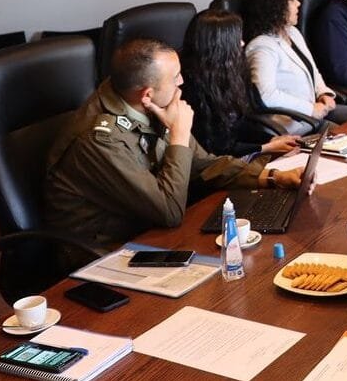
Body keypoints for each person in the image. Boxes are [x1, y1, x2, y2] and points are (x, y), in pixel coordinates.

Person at [44, 38, 309, 249]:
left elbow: (204, 164)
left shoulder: (144, 103)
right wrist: (179, 134)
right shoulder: (99, 140)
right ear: (147, 94)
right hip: (104, 251)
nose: (182, 82)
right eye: (175, 77)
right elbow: (168, 211)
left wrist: (272, 177)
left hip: (148, 232)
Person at [245, 0, 347, 134]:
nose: (298, 3)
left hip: (317, 110)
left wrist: (323, 93)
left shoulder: (292, 32)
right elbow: (265, 95)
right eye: (292, 0)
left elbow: (313, 70)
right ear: (276, 7)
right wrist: (310, 109)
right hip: (295, 123)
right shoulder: (262, 47)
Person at [181, 9, 300, 157]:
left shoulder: (231, 73)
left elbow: (239, 125)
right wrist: (265, 148)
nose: (242, 43)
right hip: (218, 164)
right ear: (219, 46)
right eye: (236, 39)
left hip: (242, 155)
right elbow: (214, 149)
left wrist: (271, 139)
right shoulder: (189, 89)